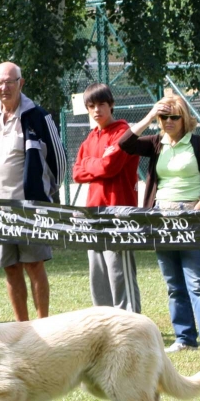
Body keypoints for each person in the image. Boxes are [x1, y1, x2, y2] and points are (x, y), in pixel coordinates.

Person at [119, 94, 200, 357]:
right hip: (161, 219)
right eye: (163, 117)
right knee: (173, 283)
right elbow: (125, 143)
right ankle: (184, 337)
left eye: (173, 117)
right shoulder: (156, 143)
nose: (167, 121)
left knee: (197, 281)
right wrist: (150, 114)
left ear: (184, 118)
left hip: (193, 216)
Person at [0, 61, 66, 321]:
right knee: (10, 269)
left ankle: (43, 323)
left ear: (20, 83)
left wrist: (45, 193)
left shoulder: (38, 116)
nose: (4, 87)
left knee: (34, 266)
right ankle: (22, 327)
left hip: (30, 208)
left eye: (9, 81)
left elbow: (58, 161)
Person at [72, 83, 141, 312]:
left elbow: (110, 167)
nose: (96, 110)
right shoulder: (90, 138)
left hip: (118, 212)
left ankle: (130, 324)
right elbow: (76, 173)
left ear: (111, 105)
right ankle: (104, 324)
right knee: (98, 274)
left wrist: (91, 164)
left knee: (119, 272)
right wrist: (96, 163)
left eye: (101, 104)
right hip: (93, 214)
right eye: (91, 106)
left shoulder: (123, 132)